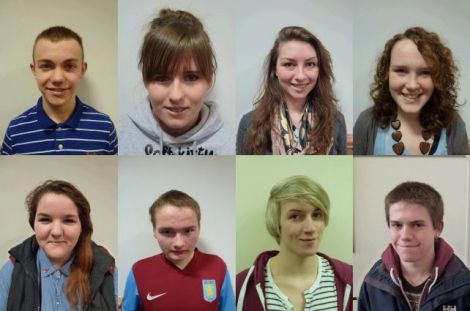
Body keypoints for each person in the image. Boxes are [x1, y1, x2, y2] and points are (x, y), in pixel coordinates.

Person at [119, 9, 234, 155]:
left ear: (209, 78)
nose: (176, 96)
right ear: (145, 79)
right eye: (162, 78)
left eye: (191, 77)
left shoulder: (231, 144)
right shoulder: (119, 134)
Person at [236, 176, 352, 310]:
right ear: (276, 222)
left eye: (317, 215)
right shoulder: (242, 287)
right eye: (296, 216)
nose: (310, 228)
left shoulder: (348, 280)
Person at [0, 180, 117, 310]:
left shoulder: (107, 271)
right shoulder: (10, 271)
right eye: (45, 220)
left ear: (82, 226)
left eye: (68, 220)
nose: (56, 232)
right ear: (33, 224)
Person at [0, 26, 118, 155]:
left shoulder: (104, 127)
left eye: (69, 66)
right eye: (46, 66)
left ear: (82, 70)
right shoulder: (15, 130)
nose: (58, 78)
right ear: (34, 70)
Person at [354, 27, 468, 155]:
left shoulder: (454, 125)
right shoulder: (367, 122)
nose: (412, 85)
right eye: (401, 71)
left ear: (438, 77)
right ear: (387, 74)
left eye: (425, 72)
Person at [358, 182, 470, 310]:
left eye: (417, 225)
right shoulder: (373, 283)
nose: (405, 235)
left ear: (438, 228)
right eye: (397, 225)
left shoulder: (464, 286)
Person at [236, 26, 346, 155]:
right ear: (274, 70)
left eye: (310, 64)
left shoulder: (336, 121)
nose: (300, 76)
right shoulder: (249, 123)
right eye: (289, 64)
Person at [122, 190, 235, 310]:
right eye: (167, 232)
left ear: (199, 228)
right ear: (154, 231)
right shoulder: (139, 271)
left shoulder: (217, 267)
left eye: (188, 231)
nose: (179, 243)